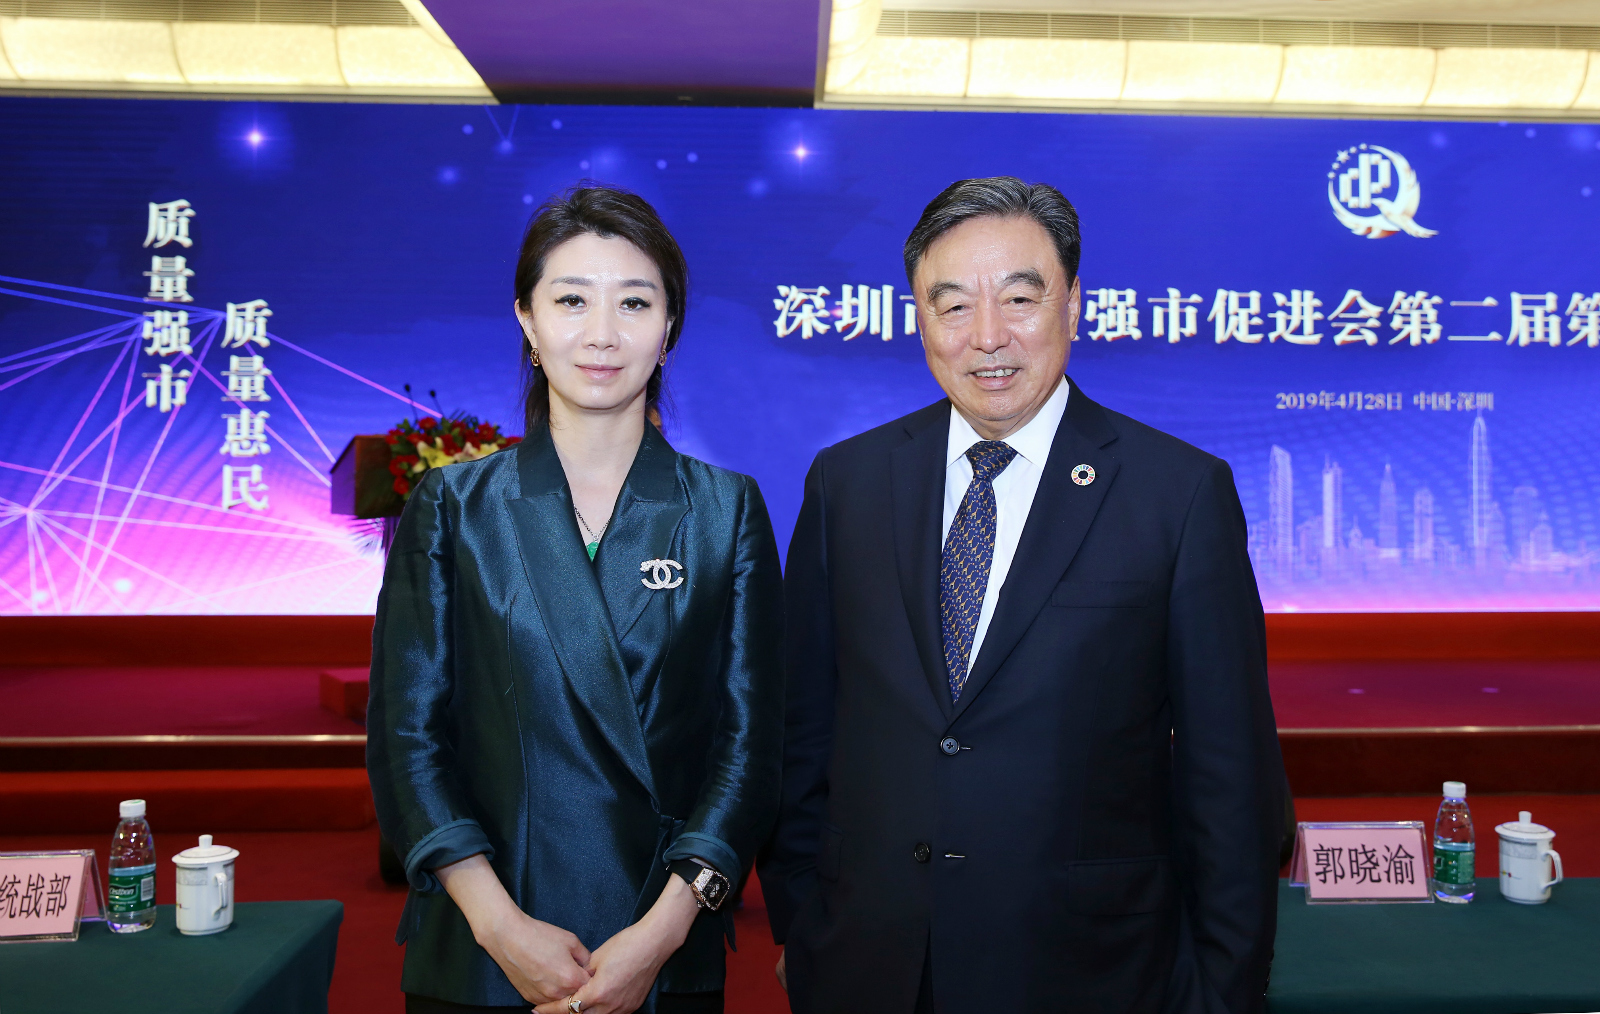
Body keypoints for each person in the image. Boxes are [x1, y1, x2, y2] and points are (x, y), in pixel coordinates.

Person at [758, 177, 1286, 1014]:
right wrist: (803, 922)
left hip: (1092, 970)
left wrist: (1222, 988)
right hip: (871, 962)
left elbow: (1232, 776)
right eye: (952, 305)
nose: (987, 337)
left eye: (1019, 298)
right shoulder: (846, 483)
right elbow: (802, 731)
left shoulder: (1178, 495)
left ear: (1073, 305)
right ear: (919, 318)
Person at [368, 184, 784, 1014]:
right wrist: (501, 928)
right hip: (484, 951)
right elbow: (407, 737)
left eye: (634, 302)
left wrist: (661, 934)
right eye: (570, 300)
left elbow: (750, 748)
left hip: (660, 952)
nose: (602, 333)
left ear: (669, 328)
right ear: (526, 320)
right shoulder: (453, 507)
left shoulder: (726, 509)